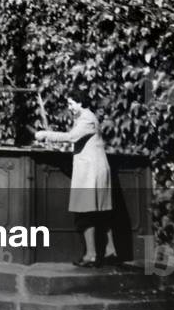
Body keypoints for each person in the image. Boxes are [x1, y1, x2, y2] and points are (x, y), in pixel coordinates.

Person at [35, 86, 118, 267]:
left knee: (85, 212)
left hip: (91, 173)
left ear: (80, 102)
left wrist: (45, 135)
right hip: (94, 171)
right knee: (100, 212)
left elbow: (72, 137)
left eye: (72, 103)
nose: (70, 107)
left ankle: (91, 255)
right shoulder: (86, 118)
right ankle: (110, 252)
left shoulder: (87, 119)